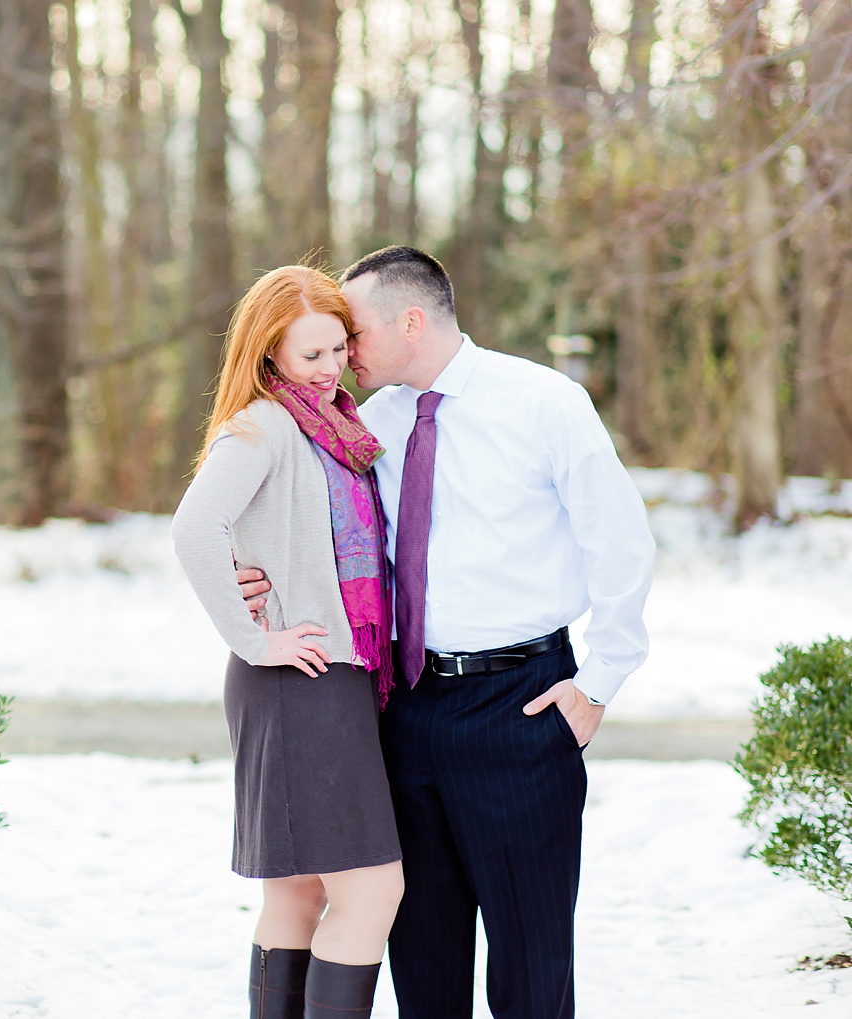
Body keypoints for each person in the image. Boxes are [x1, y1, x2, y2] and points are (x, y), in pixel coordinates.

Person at [237, 246, 655, 1019]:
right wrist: (251, 570)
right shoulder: (367, 423)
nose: (343, 353)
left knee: (532, 969)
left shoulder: (544, 402)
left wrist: (598, 684)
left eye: (352, 333)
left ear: (411, 321)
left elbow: (622, 546)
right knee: (423, 961)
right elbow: (306, 518)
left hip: (522, 707)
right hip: (405, 707)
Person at [171, 265, 406, 1019]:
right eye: (311, 356)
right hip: (299, 676)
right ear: (269, 356)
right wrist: (251, 638)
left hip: (326, 672)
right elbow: (192, 527)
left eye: (339, 347)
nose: (332, 366)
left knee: (299, 892)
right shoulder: (266, 424)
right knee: (372, 891)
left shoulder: (336, 428)